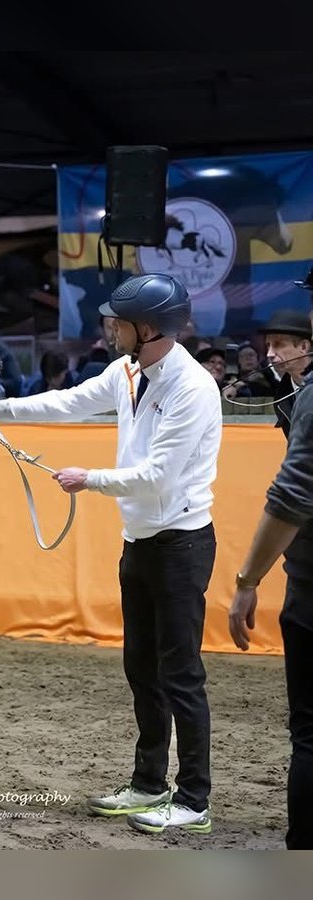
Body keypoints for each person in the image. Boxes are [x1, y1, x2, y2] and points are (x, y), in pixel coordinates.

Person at [0, 273, 222, 835]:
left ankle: (194, 799)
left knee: (181, 675)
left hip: (182, 546)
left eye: (118, 322)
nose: (110, 329)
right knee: (141, 671)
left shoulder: (192, 389)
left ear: (147, 328)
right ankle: (149, 782)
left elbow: (158, 476)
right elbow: (71, 401)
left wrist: (88, 478)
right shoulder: (128, 371)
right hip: (141, 544)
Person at [228, 270, 313, 849]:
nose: (273, 353)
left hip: (310, 577)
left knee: (308, 731)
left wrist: (247, 578)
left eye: (284, 344)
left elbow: (292, 496)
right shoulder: (287, 392)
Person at [257, 309, 313, 437]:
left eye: (278, 344)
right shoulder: (283, 396)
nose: (269, 354)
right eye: (268, 345)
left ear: (304, 347)